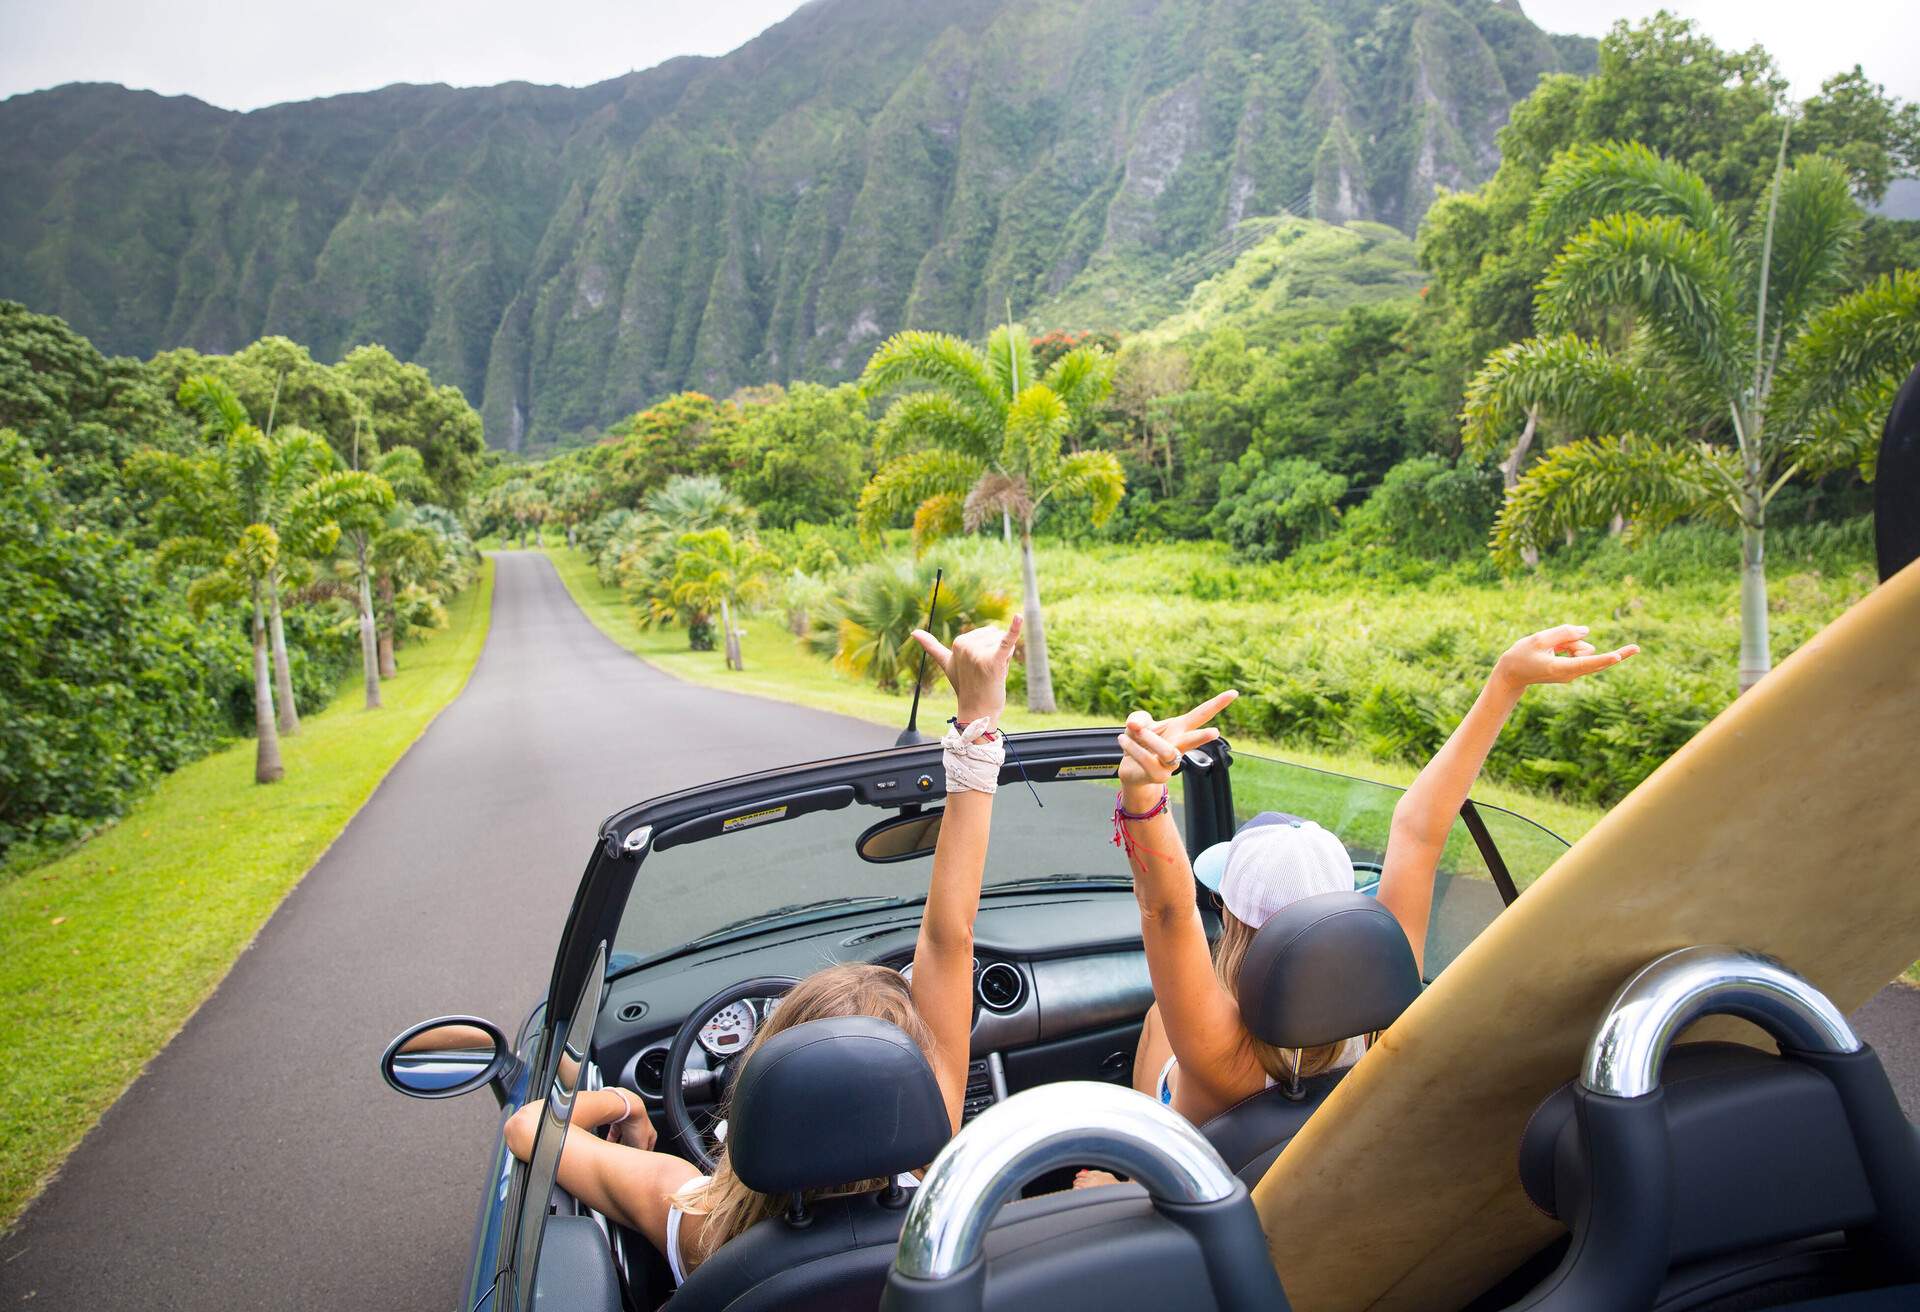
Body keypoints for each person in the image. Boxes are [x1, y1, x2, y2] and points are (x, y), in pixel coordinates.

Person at [503, 617, 1022, 1283]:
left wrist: (628, 1107)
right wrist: (978, 721)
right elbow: (950, 939)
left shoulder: (695, 1219)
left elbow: (527, 1132)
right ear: (908, 1089)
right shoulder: (934, 1179)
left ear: (757, 1077)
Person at [1089, 624, 1639, 1145]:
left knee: (1162, 1015)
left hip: (1198, 1195)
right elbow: (1420, 831)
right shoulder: (1385, 1014)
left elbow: (1170, 911)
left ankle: (1135, 1177)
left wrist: (1141, 791)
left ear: (1232, 917)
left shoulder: (1217, 1054)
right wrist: (1505, 683)